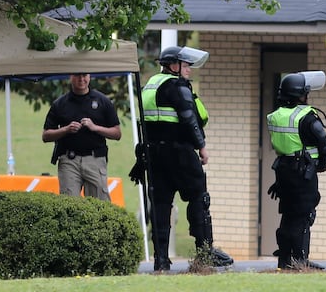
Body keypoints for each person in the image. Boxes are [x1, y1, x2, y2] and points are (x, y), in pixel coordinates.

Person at [140, 46, 233, 271]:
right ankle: (203, 255)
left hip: (155, 154)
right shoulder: (177, 86)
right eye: (185, 65)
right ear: (174, 66)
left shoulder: (151, 84)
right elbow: (189, 119)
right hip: (179, 153)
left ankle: (161, 260)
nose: (189, 69)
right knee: (199, 198)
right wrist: (202, 147)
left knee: (161, 205)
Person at [266, 71, 326, 270]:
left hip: (283, 171)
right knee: (304, 215)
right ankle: (300, 261)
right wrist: (320, 166)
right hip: (303, 172)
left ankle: (285, 260)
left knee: (288, 215)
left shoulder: (276, 115)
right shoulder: (307, 118)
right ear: (300, 95)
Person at [42, 72, 122, 201]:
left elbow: (117, 133)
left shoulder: (103, 101)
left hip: (95, 159)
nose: (81, 79)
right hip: (69, 160)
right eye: (77, 75)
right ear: (70, 76)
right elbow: (46, 135)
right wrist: (66, 129)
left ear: (90, 76)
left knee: (99, 205)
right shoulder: (60, 103)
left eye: (85, 75)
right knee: (69, 205)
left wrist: (95, 127)